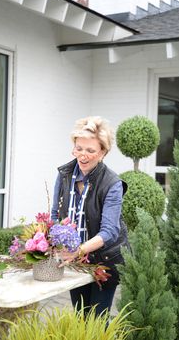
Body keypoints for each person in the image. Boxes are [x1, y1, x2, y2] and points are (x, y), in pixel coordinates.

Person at [51, 116, 128, 316]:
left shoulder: (112, 183)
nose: (83, 155)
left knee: (97, 319)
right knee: (80, 315)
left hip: (105, 258)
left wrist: (79, 250)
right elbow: (55, 214)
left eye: (90, 150)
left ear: (103, 153)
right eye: (79, 148)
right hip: (76, 259)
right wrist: (57, 235)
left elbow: (110, 231)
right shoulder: (65, 175)